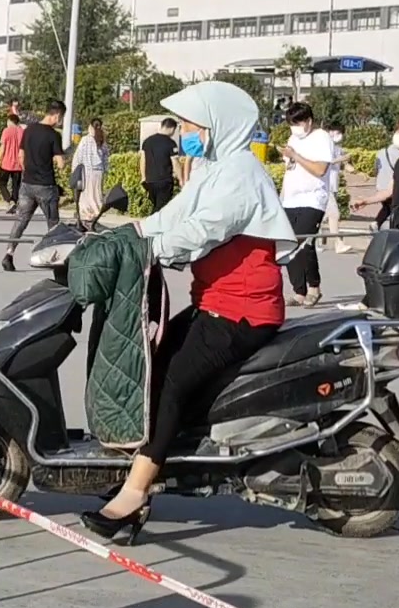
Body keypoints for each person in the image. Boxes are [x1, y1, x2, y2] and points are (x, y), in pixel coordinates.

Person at [80, 83, 291, 542]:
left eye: (196, 125)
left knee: (172, 380)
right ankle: (148, 467)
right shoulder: (213, 169)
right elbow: (173, 215)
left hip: (242, 312)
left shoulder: (242, 175)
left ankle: (136, 494)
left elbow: (204, 228)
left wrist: (149, 247)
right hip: (214, 304)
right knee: (150, 365)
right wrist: (126, 233)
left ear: (221, 125)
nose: (187, 134)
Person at [276, 102, 336, 307]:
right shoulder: (293, 138)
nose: (295, 128)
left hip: (313, 198)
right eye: (291, 123)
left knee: (303, 242)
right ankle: (298, 290)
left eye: (298, 122)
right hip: (290, 198)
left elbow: (320, 169)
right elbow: (291, 168)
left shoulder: (321, 138)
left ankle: (314, 287)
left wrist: (296, 156)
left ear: (309, 121)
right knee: (287, 243)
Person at [2, 102, 66, 272]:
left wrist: (28, 172)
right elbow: (60, 164)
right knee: (53, 224)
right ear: (57, 115)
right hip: (46, 185)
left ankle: (9, 254)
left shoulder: (28, 130)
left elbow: (21, 155)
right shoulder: (54, 135)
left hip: (27, 184)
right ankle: (55, 258)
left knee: (21, 220)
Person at [322, 119, 355, 254]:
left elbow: (343, 165)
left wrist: (350, 167)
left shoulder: (338, 148)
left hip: (333, 186)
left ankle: (313, 241)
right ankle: (338, 243)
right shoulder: (324, 146)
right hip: (324, 186)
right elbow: (325, 162)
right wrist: (341, 159)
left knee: (324, 217)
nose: (338, 135)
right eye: (336, 131)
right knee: (334, 214)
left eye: (340, 132)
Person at [70, 116, 110, 223]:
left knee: (86, 193)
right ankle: (96, 211)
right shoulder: (102, 141)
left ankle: (86, 213)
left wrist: (74, 170)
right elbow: (106, 158)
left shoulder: (85, 140)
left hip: (87, 171)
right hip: (99, 172)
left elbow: (78, 157)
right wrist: (106, 170)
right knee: (97, 193)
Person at [141, 118, 179, 211]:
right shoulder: (171, 143)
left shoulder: (147, 141)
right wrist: (180, 178)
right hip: (164, 180)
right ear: (172, 129)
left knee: (155, 205)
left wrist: (143, 177)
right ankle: (152, 224)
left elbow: (143, 160)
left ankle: (153, 222)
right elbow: (175, 163)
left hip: (150, 180)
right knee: (161, 208)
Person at [0, 114, 24, 213]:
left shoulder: (6, 131)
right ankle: (13, 201)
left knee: (1, 183)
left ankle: (9, 200)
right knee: (16, 185)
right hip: (19, 164)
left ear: (10, 121)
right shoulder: (22, 131)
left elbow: (3, 148)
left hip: (6, 163)